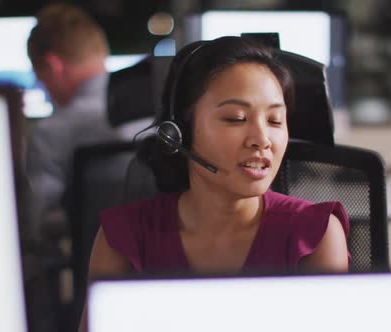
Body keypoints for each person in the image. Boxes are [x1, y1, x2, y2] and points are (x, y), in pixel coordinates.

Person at [80, 36, 350, 330]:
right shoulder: (124, 238)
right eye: (236, 118)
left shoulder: (314, 235)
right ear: (179, 132)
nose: (261, 140)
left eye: (274, 121)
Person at [25, 3, 119, 236]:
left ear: (53, 66)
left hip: (89, 265)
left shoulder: (50, 133)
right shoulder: (157, 113)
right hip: (161, 262)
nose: (42, 86)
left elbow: (37, 222)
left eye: (39, 77)